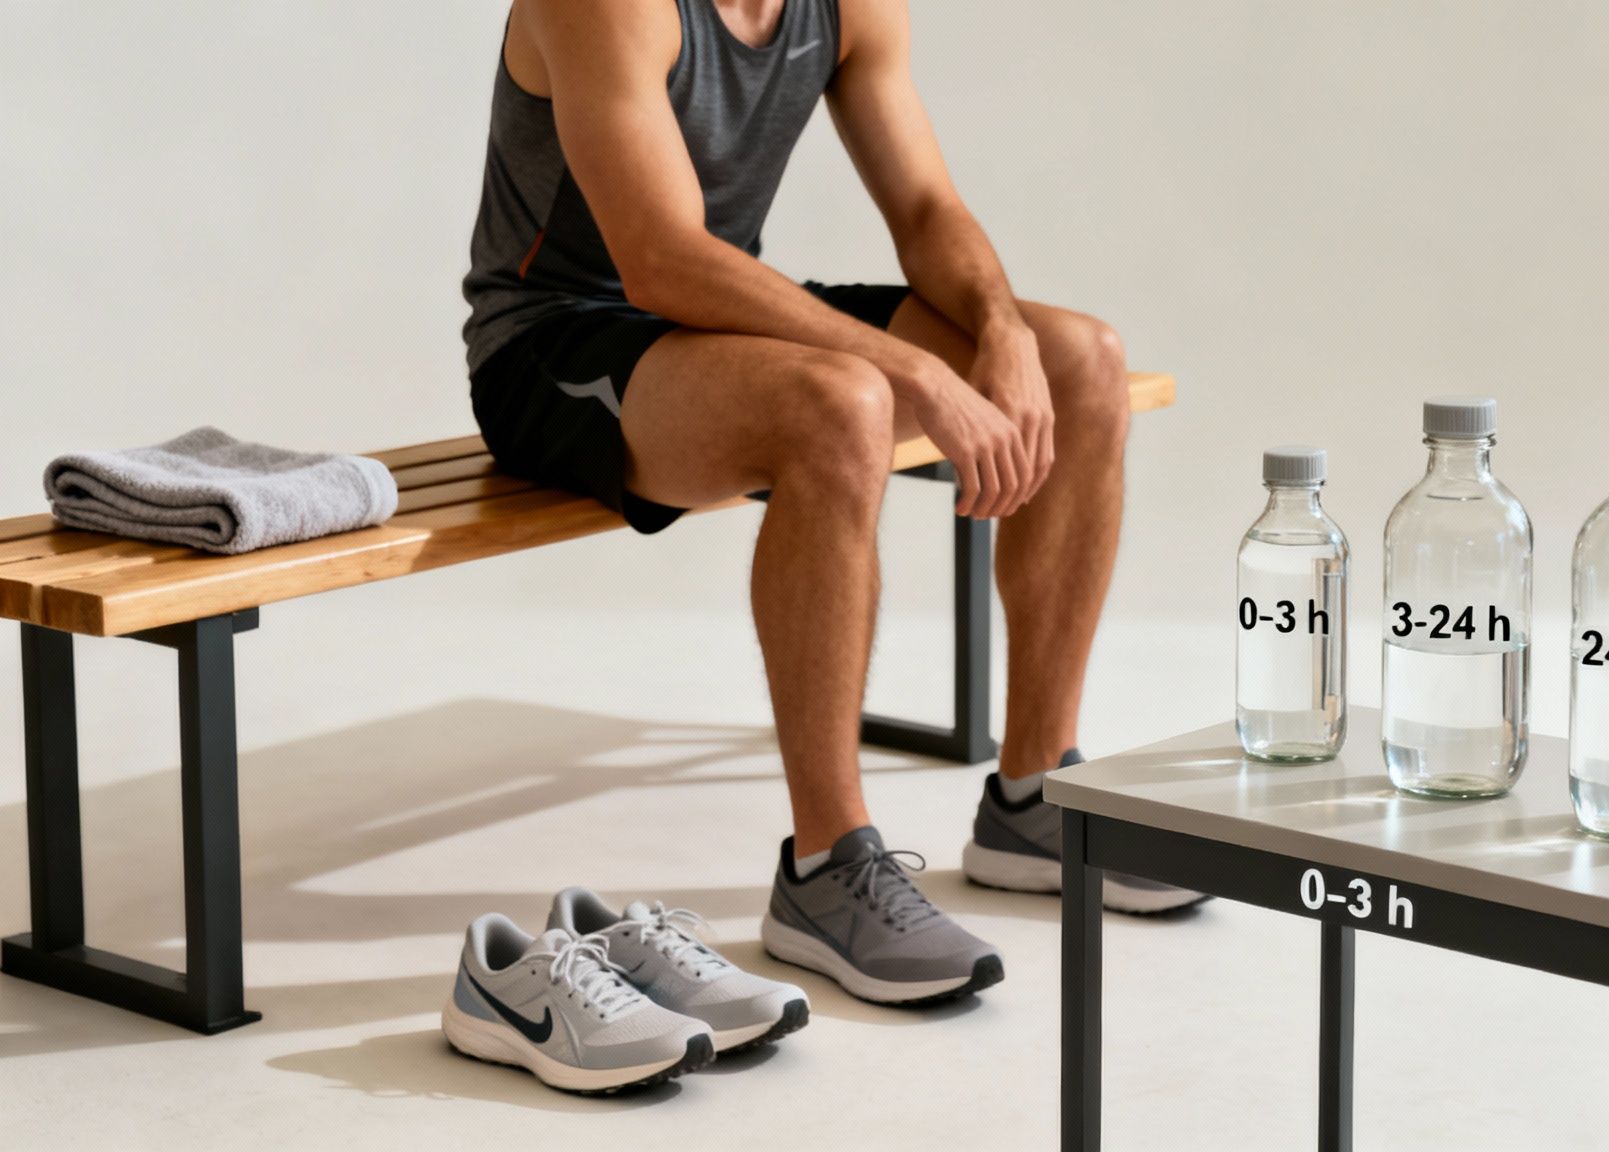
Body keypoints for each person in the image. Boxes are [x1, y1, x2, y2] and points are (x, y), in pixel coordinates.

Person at [462, 0, 1199, 1008]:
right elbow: (662, 257)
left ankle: (1033, 795)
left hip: (719, 320)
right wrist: (914, 373)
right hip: (556, 345)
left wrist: (1001, 332)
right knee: (840, 401)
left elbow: (927, 207)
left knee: (1081, 361)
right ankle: (826, 868)